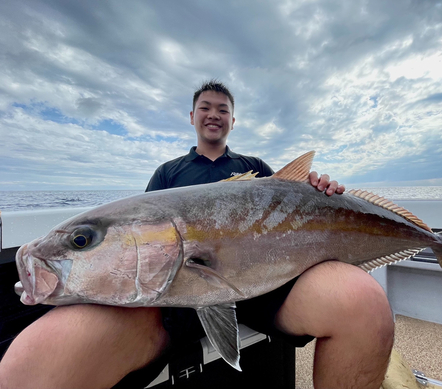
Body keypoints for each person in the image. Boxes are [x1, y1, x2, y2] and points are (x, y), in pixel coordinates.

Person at [0, 80, 394, 389]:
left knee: (364, 303)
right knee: (38, 360)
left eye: (223, 109)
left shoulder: (255, 167)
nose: (214, 115)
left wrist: (319, 189)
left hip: (267, 283)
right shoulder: (169, 175)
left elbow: (290, 208)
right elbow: (143, 251)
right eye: (205, 107)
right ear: (192, 116)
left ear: (232, 121)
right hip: (172, 296)